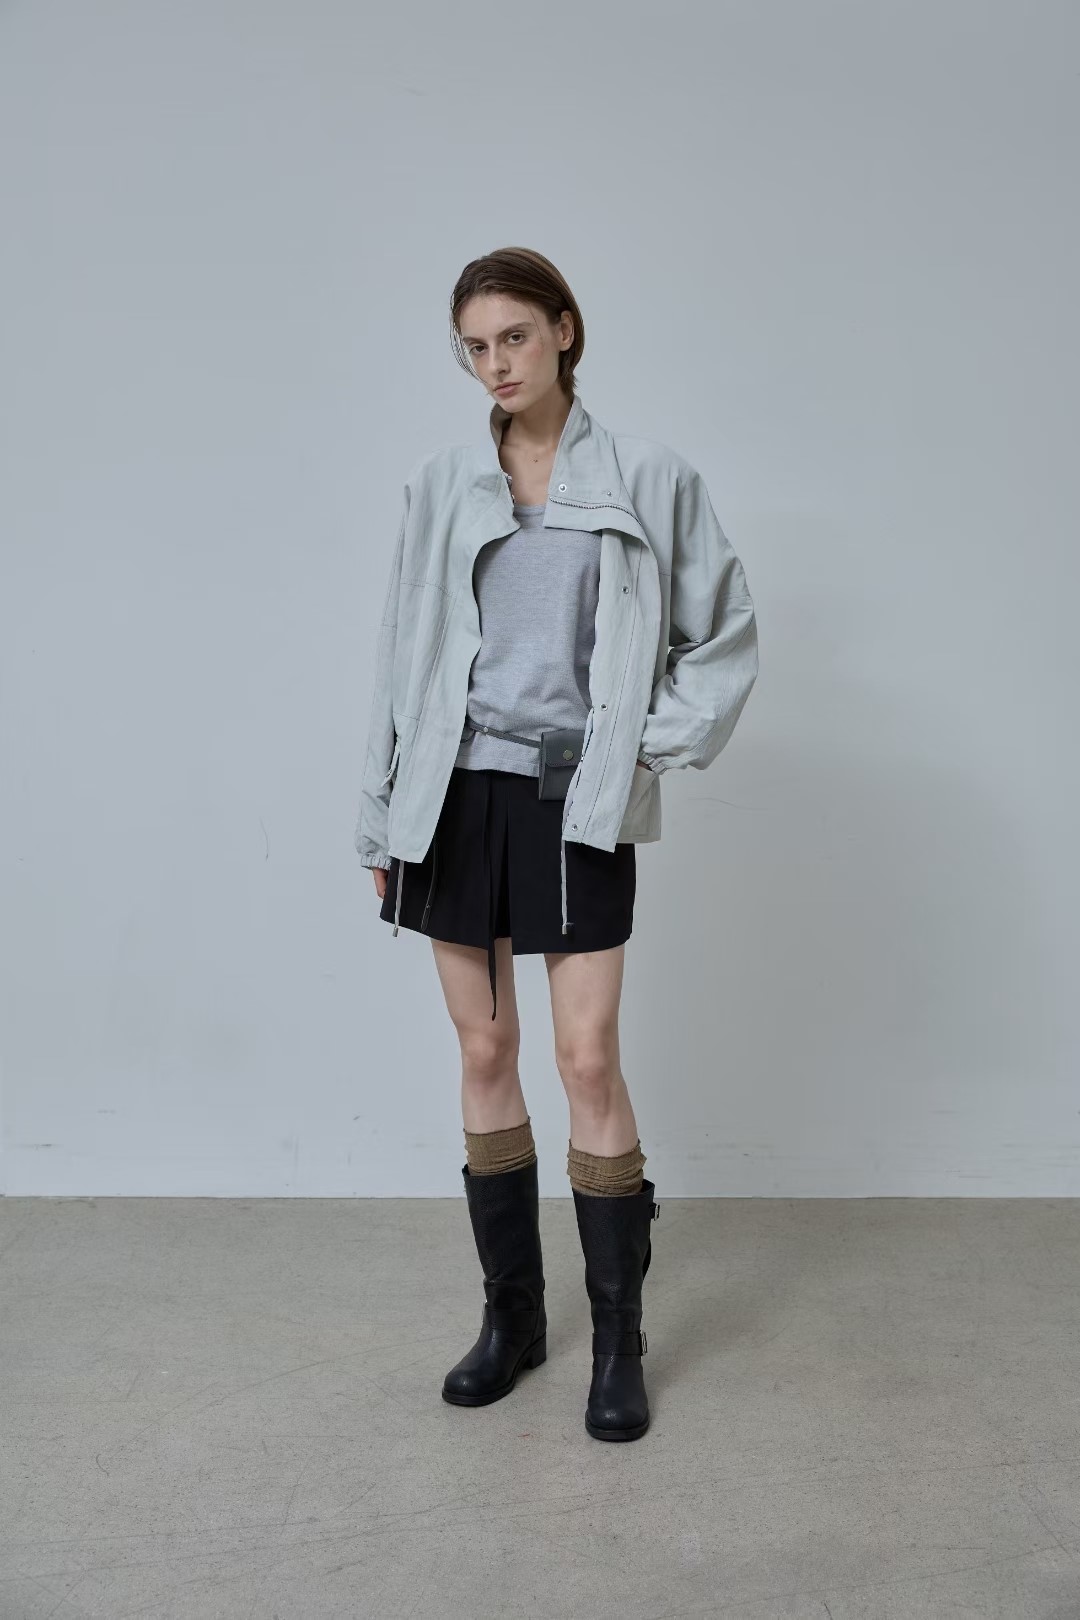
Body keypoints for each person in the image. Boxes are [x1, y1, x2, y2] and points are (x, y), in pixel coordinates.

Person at [355, 246, 759, 1441]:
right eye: (475, 347)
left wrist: (638, 749)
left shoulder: (648, 477)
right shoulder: (442, 483)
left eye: (515, 338)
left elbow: (723, 638)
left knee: (586, 1060)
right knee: (485, 1050)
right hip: (449, 798)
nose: (496, 365)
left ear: (565, 331)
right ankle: (514, 1320)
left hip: (571, 800)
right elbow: (400, 652)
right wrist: (380, 812)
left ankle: (618, 1341)